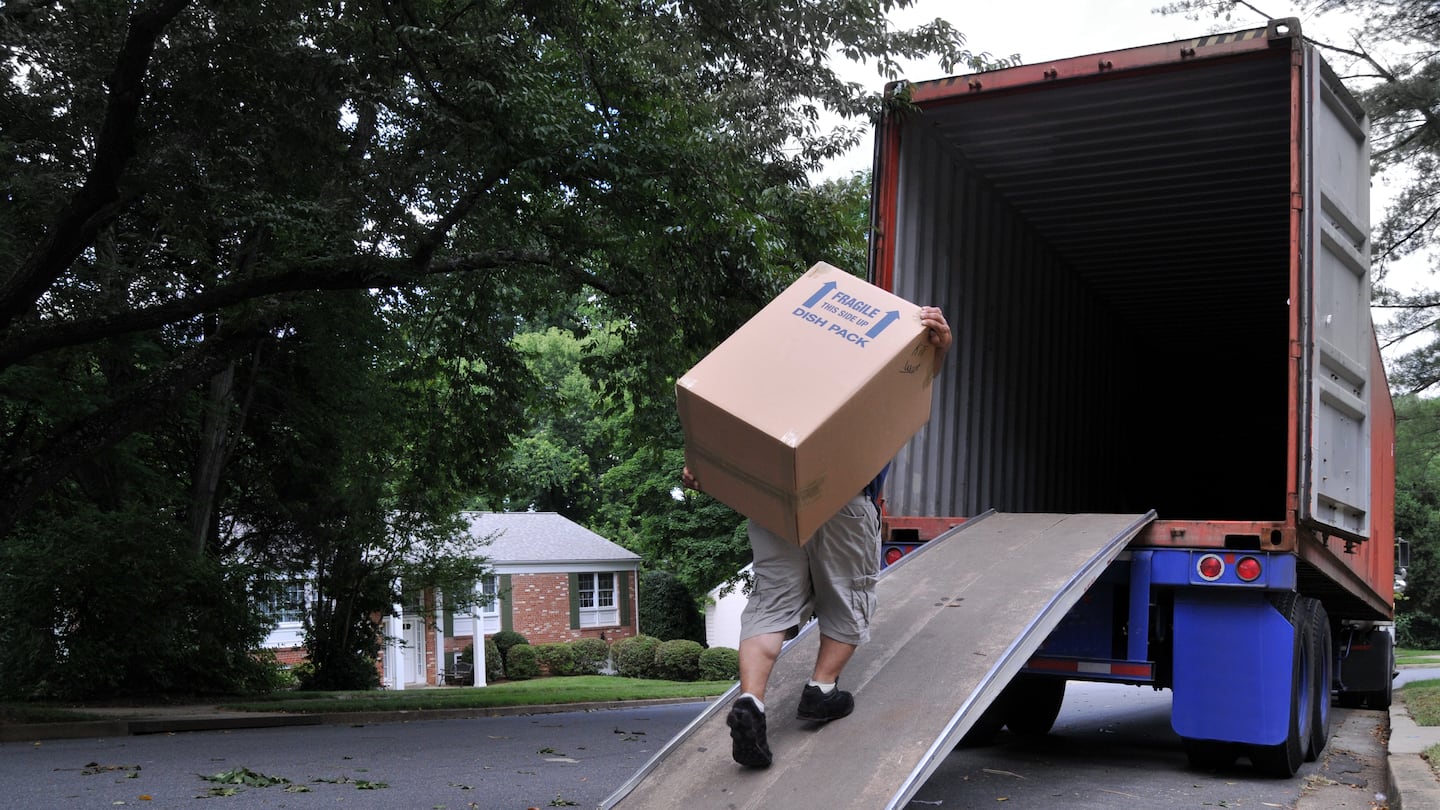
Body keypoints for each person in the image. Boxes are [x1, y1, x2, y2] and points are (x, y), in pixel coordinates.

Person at [681, 305, 952, 769]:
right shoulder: (857, 381)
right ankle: (821, 690)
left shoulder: (767, 378)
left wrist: (708, 469)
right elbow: (910, 382)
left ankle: (751, 701)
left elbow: (721, 434)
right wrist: (939, 347)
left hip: (771, 497)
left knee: (770, 603)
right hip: (843, 495)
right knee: (848, 597)